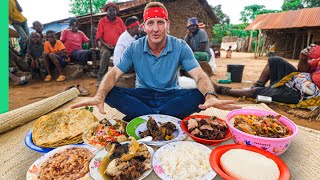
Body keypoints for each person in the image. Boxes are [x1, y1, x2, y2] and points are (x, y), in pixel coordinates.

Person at [72, 2, 239, 121]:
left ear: (168, 25)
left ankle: (143, 117)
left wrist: (210, 96)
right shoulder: (134, 47)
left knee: (199, 95)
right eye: (150, 23)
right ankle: (165, 117)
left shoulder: (180, 46)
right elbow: (114, 73)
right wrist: (99, 96)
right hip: (142, 95)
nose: (156, 28)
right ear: (144, 27)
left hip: (170, 96)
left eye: (160, 22)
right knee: (109, 92)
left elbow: (200, 76)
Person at [214, 44, 320, 104]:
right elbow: (303, 69)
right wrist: (303, 57)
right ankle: (257, 85)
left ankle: (222, 90)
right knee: (275, 60)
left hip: (305, 93)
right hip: (299, 79)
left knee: (259, 92)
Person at [96, 2, 126, 86]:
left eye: (114, 10)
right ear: (107, 11)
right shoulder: (102, 21)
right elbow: (99, 36)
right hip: (105, 46)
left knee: (124, 55)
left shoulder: (119, 20)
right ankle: (100, 78)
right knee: (105, 54)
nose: (112, 12)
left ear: (116, 11)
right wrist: (106, 45)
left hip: (118, 45)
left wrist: (119, 45)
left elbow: (124, 34)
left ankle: (119, 76)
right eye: (110, 10)